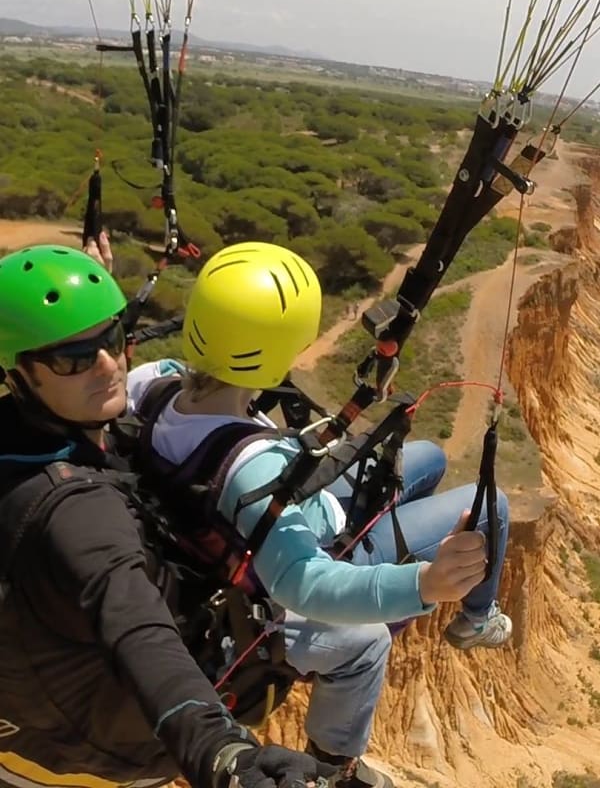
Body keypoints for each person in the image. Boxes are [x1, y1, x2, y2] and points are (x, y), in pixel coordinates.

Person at [126, 241, 513, 788]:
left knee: (428, 460)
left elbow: (244, 444)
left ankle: (473, 613)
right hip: (296, 554)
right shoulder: (254, 469)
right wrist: (426, 581)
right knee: (490, 506)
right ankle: (341, 763)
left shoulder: (152, 381)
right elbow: (305, 584)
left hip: (231, 520)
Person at [0, 243, 335, 788]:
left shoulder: (25, 430)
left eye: (109, 338)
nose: (108, 366)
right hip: (98, 759)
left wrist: (68, 311)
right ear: (19, 372)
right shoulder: (76, 514)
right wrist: (224, 756)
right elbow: (139, 628)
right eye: (73, 357)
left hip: (29, 728)